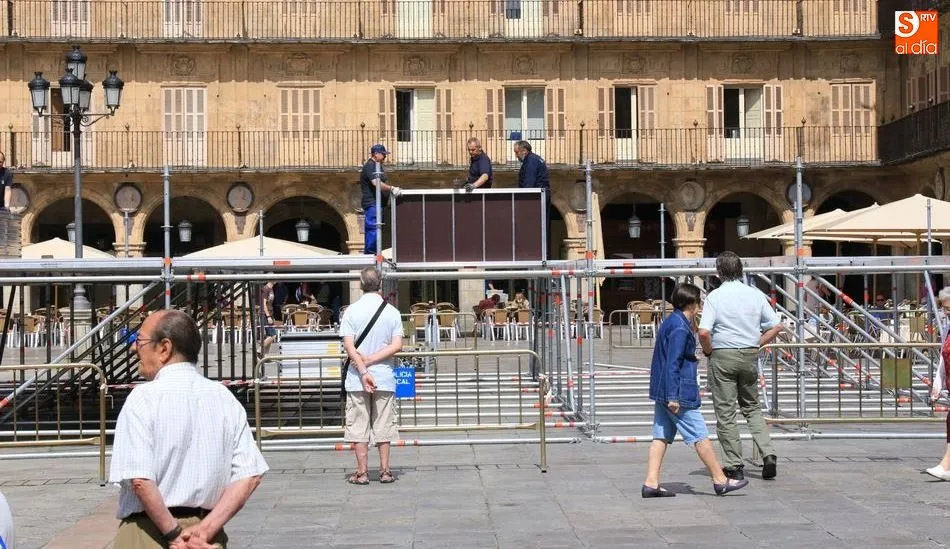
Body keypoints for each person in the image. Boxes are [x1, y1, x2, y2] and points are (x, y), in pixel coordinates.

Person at [110, 310, 268, 549]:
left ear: (164, 348)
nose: (134, 349)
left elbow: (140, 479)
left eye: (139, 341)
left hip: (148, 532)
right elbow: (250, 475)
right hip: (205, 535)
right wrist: (207, 529)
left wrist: (173, 534)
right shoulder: (223, 397)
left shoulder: (143, 398)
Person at [643, 283, 749, 498]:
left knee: (661, 435)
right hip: (679, 391)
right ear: (692, 303)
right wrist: (673, 395)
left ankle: (651, 482)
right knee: (699, 434)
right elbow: (673, 362)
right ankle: (720, 480)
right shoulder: (681, 328)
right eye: (699, 301)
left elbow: (673, 357)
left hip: (665, 388)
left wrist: (691, 357)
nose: (701, 305)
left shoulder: (672, 321)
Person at [698, 251, 785, 481]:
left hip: (723, 354)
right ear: (740, 270)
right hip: (748, 355)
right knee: (752, 407)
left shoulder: (714, 297)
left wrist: (708, 350)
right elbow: (777, 326)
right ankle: (768, 454)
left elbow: (704, 331)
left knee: (726, 413)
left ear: (718, 272)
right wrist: (756, 344)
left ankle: (734, 463)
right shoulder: (755, 295)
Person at [340, 267, 404, 485]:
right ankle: (385, 471)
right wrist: (373, 360)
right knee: (384, 423)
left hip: (357, 377)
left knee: (358, 424)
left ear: (360, 283)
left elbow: (349, 346)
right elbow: (397, 345)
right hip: (384, 375)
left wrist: (363, 366)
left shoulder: (351, 311)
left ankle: (362, 472)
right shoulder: (392, 312)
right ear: (381, 283)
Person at [361, 144, 403, 255]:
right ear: (375, 154)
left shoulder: (376, 166)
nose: (385, 157)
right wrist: (391, 188)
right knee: (373, 228)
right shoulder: (370, 166)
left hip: (378, 204)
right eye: (383, 154)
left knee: (376, 229)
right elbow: (376, 183)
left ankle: (374, 253)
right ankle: (371, 254)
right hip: (372, 203)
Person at [927, 287, 950, 481]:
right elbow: (944, 357)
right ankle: (946, 466)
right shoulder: (948, 328)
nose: (946, 312)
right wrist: (938, 383)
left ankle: (945, 465)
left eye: (949, 308)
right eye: (944, 308)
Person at [514, 140, 551, 244]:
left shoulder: (530, 161)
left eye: (517, 152)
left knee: (535, 227)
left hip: (537, 198)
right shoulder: (535, 159)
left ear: (524, 151)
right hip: (541, 196)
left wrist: (524, 202)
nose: (516, 156)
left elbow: (529, 183)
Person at [258, 281, 276, 356]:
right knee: (273, 335)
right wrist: (268, 316)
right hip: (265, 314)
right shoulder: (265, 289)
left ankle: (266, 356)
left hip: (270, 314)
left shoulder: (271, 289)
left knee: (269, 335)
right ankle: (259, 350)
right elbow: (263, 303)